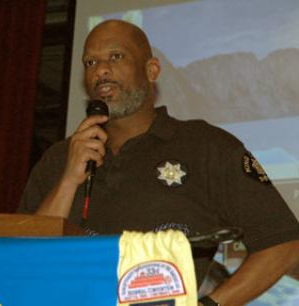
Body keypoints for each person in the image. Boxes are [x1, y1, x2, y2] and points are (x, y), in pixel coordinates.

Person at [18, 20, 299, 305]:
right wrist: (68, 179)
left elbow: (284, 243)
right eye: (90, 62)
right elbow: (17, 261)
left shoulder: (207, 146)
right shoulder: (57, 159)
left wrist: (209, 305)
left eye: (116, 57)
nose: (100, 70)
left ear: (151, 70)